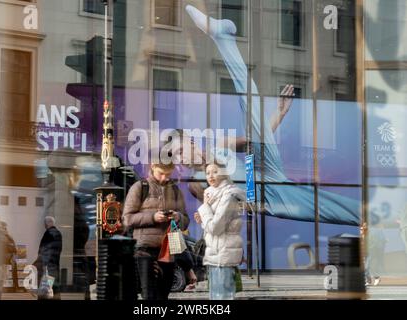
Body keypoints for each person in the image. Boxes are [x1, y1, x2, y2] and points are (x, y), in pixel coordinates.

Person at [185, 4, 360, 226]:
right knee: (331, 209)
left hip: (265, 172)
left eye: (182, 148)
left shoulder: (218, 146)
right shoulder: (197, 181)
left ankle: (223, 38)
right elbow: (219, 211)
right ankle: (385, 217)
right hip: (266, 196)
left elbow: (254, 139)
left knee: (250, 100)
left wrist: (279, 114)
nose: (184, 155)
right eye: (178, 155)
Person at [123, 161, 190, 300]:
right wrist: (153, 217)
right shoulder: (140, 187)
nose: (164, 178)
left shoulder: (176, 190)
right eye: (161, 173)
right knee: (150, 295)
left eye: (168, 174)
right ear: (152, 167)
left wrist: (177, 216)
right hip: (145, 250)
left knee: (163, 293)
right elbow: (127, 219)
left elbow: (185, 222)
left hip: (168, 250)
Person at [194, 162, 245, 300]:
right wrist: (203, 220)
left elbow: (216, 228)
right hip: (214, 254)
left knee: (222, 298)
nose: (210, 176)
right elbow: (211, 227)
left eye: (215, 171)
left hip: (223, 254)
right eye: (207, 172)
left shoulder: (228, 195)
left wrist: (204, 208)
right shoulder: (212, 194)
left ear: (223, 173)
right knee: (215, 297)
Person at [33, 216, 63, 299]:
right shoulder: (58, 233)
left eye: (45, 223)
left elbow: (45, 250)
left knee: (47, 284)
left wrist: (43, 263)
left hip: (48, 265)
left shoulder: (49, 233)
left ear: (48, 223)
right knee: (54, 285)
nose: (44, 225)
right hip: (55, 264)